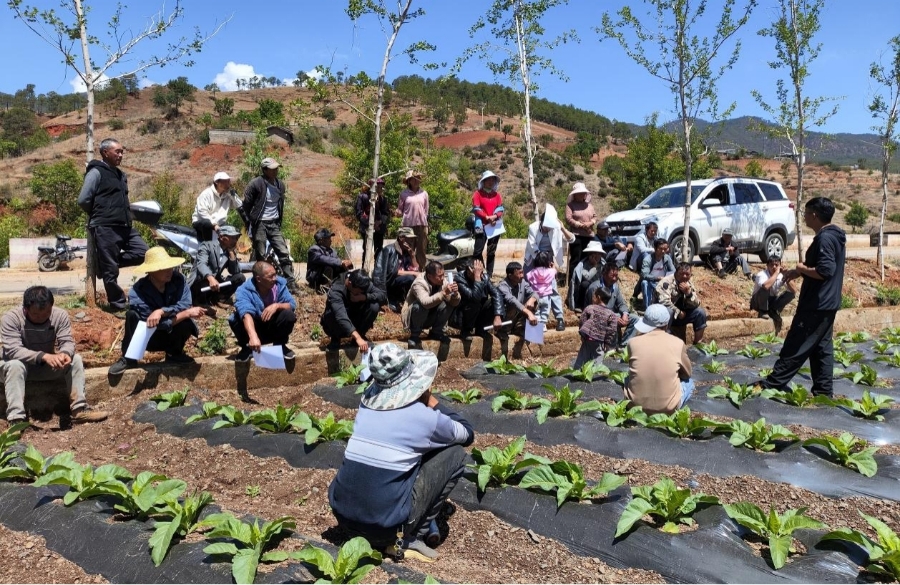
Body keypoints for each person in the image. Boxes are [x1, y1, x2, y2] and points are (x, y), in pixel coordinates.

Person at [329, 342, 475, 562]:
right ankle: (410, 535)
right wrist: (430, 400)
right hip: (383, 528)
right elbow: (467, 433)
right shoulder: (424, 418)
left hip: (343, 518)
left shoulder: (366, 406)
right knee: (454, 454)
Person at [762, 197, 846, 397]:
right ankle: (824, 392)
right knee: (822, 347)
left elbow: (825, 270)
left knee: (797, 343)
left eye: (806, 213)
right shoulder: (835, 236)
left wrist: (801, 268)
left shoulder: (825, 238)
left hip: (816, 303)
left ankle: (773, 384)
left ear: (814, 215)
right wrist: (799, 272)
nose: (804, 217)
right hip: (828, 302)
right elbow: (820, 267)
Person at [1, 286, 108, 427]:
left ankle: (79, 410)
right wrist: (44, 356)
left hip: (42, 367)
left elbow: (67, 342)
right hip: (14, 369)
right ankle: (16, 420)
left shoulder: (59, 315)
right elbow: (13, 350)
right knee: (16, 365)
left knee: (75, 360)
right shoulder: (11, 318)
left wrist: (65, 354)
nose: (42, 318)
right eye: (36, 315)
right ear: (26, 309)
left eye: (47, 313)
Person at [77, 137, 149, 311]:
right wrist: (99, 213)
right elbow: (83, 200)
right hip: (105, 226)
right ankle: (117, 305)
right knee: (111, 271)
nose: (121, 155)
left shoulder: (120, 175)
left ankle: (104, 265)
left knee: (145, 253)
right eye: (117, 151)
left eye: (122, 151)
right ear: (104, 153)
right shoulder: (96, 172)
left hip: (125, 226)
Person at [109, 247, 205, 376]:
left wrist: (162, 311)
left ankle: (174, 353)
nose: (169, 271)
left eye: (169, 267)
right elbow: (155, 324)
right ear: (151, 271)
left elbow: (185, 304)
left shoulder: (179, 280)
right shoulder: (138, 291)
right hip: (150, 338)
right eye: (163, 268)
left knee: (186, 323)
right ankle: (129, 358)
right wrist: (184, 313)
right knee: (132, 315)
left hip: (173, 333)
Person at [240, 157, 300, 294]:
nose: (275, 171)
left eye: (276, 168)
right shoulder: (256, 184)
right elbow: (246, 204)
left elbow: (280, 204)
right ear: (265, 170)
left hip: (274, 223)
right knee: (261, 254)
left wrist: (278, 221)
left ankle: (290, 282)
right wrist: (251, 220)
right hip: (260, 223)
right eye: (272, 169)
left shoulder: (280, 185)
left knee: (283, 252)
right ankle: (261, 283)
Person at [624, 304, 694, 415]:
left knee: (628, 377)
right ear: (666, 325)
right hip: (668, 408)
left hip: (634, 406)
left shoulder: (632, 342)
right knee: (689, 382)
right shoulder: (678, 343)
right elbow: (687, 374)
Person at [229, 261, 297, 363]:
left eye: (275, 274)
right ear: (259, 279)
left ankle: (280, 345)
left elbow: (291, 304)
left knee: (288, 314)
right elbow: (246, 313)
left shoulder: (279, 285)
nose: (275, 278)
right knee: (234, 319)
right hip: (254, 330)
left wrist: (277, 306)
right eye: (271, 276)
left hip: (272, 328)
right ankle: (247, 348)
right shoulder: (244, 290)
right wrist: (253, 336)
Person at [321, 269, 386, 353]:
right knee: (332, 313)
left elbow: (382, 296)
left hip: (354, 317)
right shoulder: (337, 289)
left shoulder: (362, 283)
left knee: (374, 306)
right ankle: (336, 339)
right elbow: (341, 316)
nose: (361, 292)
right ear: (349, 284)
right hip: (337, 323)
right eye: (359, 292)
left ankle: (358, 336)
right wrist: (358, 337)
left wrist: (364, 297)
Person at [403, 261, 460, 348]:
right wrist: (443, 293)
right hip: (415, 318)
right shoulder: (419, 283)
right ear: (430, 276)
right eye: (439, 276)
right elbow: (425, 303)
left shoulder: (443, 281)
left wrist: (455, 294)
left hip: (431, 316)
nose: (442, 278)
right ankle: (414, 335)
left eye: (443, 274)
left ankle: (436, 332)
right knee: (419, 306)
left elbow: (454, 303)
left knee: (448, 303)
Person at [187, 225, 246, 306]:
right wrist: (210, 278)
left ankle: (218, 299)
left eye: (236, 238)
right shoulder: (207, 245)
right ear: (221, 237)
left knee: (240, 278)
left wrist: (232, 254)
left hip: (215, 284)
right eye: (232, 238)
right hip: (201, 283)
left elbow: (235, 271)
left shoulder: (228, 251)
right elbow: (201, 264)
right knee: (203, 279)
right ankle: (200, 302)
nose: (235, 241)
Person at [585, 263, 638, 347]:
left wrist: (624, 314)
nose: (615, 278)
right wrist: (613, 317)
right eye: (612, 275)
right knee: (614, 319)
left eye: (616, 276)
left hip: (613, 315)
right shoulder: (595, 287)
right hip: (600, 318)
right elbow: (593, 310)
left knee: (635, 319)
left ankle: (623, 345)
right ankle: (611, 346)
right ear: (604, 274)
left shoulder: (615, 287)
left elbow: (621, 304)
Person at [452, 257, 505, 340]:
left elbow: (496, 294)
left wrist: (497, 315)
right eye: (478, 272)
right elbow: (474, 297)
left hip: (479, 312)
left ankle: (481, 330)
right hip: (463, 315)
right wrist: (477, 279)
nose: (481, 275)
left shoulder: (485, 277)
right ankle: (466, 331)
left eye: (481, 272)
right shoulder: (459, 279)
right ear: (469, 271)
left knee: (494, 301)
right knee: (474, 303)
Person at [656, 263, 708, 344]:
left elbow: (696, 304)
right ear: (676, 272)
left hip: (681, 316)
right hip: (664, 317)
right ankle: (665, 340)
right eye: (681, 274)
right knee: (669, 311)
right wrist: (678, 312)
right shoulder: (666, 282)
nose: (684, 276)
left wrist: (688, 294)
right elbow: (664, 302)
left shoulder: (688, 283)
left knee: (700, 312)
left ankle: (698, 343)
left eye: (687, 274)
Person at [373, 227, 419, 313]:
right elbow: (392, 271)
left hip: (400, 282)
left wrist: (412, 255)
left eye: (413, 239)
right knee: (410, 278)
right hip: (390, 282)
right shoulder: (389, 249)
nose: (412, 241)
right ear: (401, 238)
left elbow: (416, 269)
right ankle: (395, 300)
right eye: (409, 239)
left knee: (415, 277)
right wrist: (412, 273)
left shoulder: (407, 252)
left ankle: (409, 301)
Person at [572, 287, 618, 369]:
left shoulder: (590, 308)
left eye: (594, 296)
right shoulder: (611, 314)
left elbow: (582, 321)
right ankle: (595, 376)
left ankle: (577, 373)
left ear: (598, 297)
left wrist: (582, 335)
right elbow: (612, 330)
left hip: (587, 339)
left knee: (582, 358)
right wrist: (607, 343)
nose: (592, 298)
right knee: (597, 362)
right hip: (599, 342)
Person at [750, 255, 796, 335]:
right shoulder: (762, 274)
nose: (774, 267)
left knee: (791, 294)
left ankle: (773, 310)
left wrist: (787, 276)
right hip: (758, 302)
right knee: (765, 288)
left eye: (777, 265)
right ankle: (763, 311)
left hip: (771, 300)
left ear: (780, 265)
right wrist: (777, 272)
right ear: (767, 266)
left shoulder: (781, 276)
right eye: (771, 265)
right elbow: (766, 286)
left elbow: (794, 290)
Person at [523, 205, 576, 274]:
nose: (548, 229)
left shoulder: (556, 228)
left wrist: (562, 228)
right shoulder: (533, 227)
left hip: (548, 257)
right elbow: (532, 245)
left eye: (550, 227)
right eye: (546, 226)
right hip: (534, 256)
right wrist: (541, 259)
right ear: (541, 222)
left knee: (549, 279)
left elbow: (572, 239)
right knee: (529, 278)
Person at [471, 170, 505, 278]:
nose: (490, 182)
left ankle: (489, 275)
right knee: (477, 251)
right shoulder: (477, 194)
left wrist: (494, 217)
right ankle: (479, 272)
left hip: (494, 226)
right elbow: (476, 209)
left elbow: (500, 209)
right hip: (481, 225)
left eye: (492, 180)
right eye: (488, 180)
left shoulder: (497, 195)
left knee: (491, 251)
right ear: (484, 181)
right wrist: (486, 217)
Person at [192, 171, 241, 242]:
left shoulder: (228, 195)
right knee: (207, 224)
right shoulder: (206, 194)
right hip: (202, 222)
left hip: (219, 224)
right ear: (217, 183)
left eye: (228, 181)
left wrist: (233, 196)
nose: (227, 184)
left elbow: (239, 205)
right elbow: (202, 212)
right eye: (225, 181)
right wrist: (214, 225)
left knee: (233, 232)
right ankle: (208, 247)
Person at [565, 182, 597, 287]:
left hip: (589, 235)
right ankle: (572, 281)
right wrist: (578, 224)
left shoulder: (589, 205)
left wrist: (590, 223)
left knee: (586, 258)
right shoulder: (570, 205)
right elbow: (568, 218)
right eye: (580, 193)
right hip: (576, 235)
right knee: (576, 258)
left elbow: (594, 217)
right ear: (575, 194)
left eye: (583, 192)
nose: (582, 194)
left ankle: (584, 278)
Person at [495, 262, 539, 339]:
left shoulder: (522, 282)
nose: (522, 275)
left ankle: (520, 328)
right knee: (513, 306)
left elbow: (534, 293)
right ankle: (502, 330)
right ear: (510, 276)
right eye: (519, 273)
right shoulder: (502, 286)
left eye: (522, 272)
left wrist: (532, 300)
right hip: (504, 318)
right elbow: (512, 301)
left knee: (533, 302)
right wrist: (528, 313)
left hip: (516, 316)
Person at [396, 170, 429, 270]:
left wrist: (426, 225)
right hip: (408, 226)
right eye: (413, 179)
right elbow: (400, 210)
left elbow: (426, 210)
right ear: (409, 181)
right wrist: (397, 213)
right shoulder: (404, 194)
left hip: (421, 225)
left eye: (418, 178)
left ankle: (421, 270)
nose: (416, 181)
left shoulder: (424, 194)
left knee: (421, 250)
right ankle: (408, 270)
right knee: (408, 249)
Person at [526, 251, 565, 332]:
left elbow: (528, 276)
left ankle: (537, 324)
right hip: (546, 297)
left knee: (537, 311)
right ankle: (543, 325)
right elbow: (555, 272)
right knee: (545, 311)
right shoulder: (549, 271)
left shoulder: (533, 272)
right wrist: (553, 267)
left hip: (536, 297)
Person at [307, 228, 353, 293]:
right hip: (315, 277)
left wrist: (346, 264)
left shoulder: (332, 251)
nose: (331, 240)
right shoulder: (313, 250)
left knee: (341, 268)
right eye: (328, 238)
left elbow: (336, 261)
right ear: (321, 240)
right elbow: (323, 259)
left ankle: (341, 287)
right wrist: (341, 262)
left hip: (329, 275)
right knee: (328, 267)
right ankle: (324, 288)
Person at [356, 178, 389, 267]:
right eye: (378, 187)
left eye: (381, 187)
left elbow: (385, 213)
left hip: (379, 229)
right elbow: (359, 213)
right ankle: (364, 270)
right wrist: (370, 224)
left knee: (378, 250)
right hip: (366, 228)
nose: (381, 189)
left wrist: (380, 222)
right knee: (366, 249)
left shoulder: (382, 199)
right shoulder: (363, 197)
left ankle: (378, 272)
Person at [567, 240, 606, 313]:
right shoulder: (582, 265)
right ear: (590, 255)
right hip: (587, 292)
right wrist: (594, 266)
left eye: (599, 254)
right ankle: (583, 306)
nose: (597, 256)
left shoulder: (603, 264)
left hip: (600, 289)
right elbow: (587, 277)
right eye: (594, 254)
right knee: (585, 284)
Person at [640, 238, 676, 306]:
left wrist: (667, 278)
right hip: (652, 282)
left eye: (665, 249)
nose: (663, 251)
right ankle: (648, 307)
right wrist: (657, 278)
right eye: (661, 248)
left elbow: (673, 271)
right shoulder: (648, 259)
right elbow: (644, 274)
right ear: (655, 248)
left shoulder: (667, 258)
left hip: (664, 282)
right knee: (644, 283)